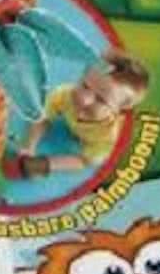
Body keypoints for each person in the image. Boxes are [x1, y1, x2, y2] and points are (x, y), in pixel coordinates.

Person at [10, 50, 149, 178]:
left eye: (101, 100)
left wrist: (45, 164)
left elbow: (84, 161)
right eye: (85, 85)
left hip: (99, 143)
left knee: (97, 159)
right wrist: (29, 146)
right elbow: (42, 116)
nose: (84, 99)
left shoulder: (109, 136)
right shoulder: (65, 95)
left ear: (119, 110)